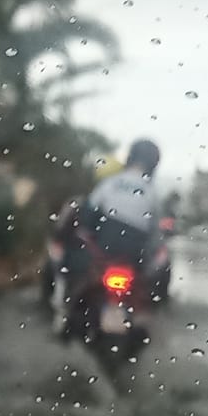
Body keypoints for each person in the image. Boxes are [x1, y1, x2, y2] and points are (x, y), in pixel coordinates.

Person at [61, 139, 162, 338]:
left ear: (130, 157)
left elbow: (87, 217)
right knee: (146, 292)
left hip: (102, 255)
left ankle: (66, 321)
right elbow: (155, 236)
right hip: (133, 260)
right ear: (153, 165)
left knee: (78, 279)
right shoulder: (152, 193)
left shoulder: (110, 183)